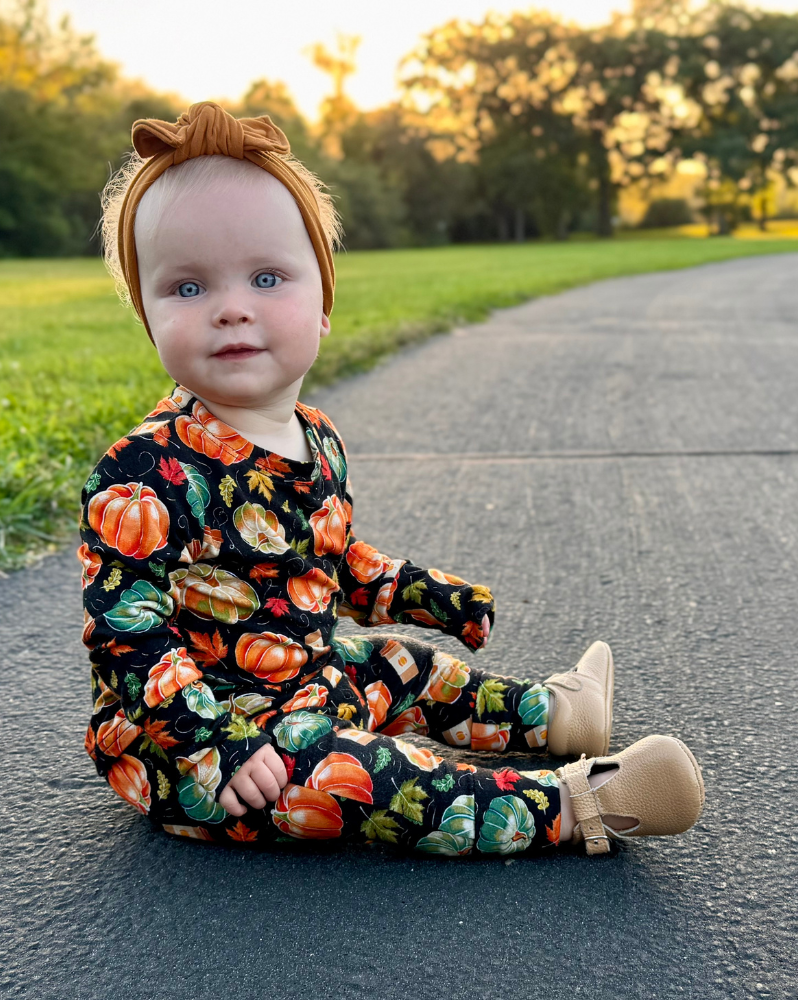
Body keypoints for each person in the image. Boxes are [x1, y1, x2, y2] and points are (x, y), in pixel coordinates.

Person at [79, 102, 704, 856]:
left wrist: (425, 595)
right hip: (201, 755)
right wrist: (216, 739)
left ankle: (554, 715)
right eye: (187, 289)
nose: (232, 309)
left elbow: (332, 561)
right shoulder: (143, 474)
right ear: (147, 316)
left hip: (302, 687)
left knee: (398, 666)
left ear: (322, 305)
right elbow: (127, 632)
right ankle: (578, 806)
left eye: (267, 278)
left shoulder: (318, 438)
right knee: (362, 775)